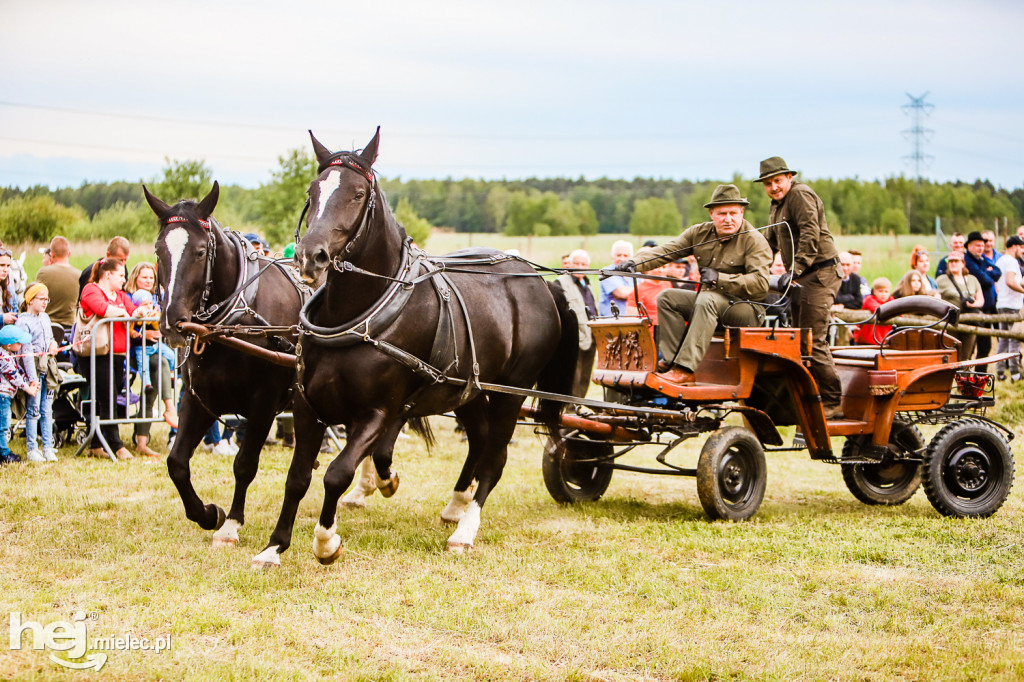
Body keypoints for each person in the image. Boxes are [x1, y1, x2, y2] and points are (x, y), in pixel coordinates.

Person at [615, 184, 770, 390]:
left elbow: (761, 285)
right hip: (710, 306)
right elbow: (665, 251)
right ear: (711, 213)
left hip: (746, 309)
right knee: (668, 297)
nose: (728, 218)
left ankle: (685, 370)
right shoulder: (699, 233)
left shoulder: (754, 240)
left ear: (741, 212)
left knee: (708, 299)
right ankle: (671, 361)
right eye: (722, 213)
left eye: (733, 212)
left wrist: (720, 278)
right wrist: (635, 263)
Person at [755, 156, 845, 419]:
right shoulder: (776, 206)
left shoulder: (800, 195)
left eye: (778, 181)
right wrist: (750, 267)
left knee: (813, 339)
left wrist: (794, 270)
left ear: (789, 178)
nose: (774, 187)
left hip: (820, 274)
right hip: (802, 277)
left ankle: (832, 401)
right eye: (768, 183)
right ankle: (810, 395)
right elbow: (768, 243)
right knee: (799, 339)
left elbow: (810, 233)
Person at [78, 257, 154, 461]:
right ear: (108, 274)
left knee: (109, 397)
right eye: (121, 275)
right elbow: (102, 309)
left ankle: (96, 445)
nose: (124, 279)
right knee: (107, 398)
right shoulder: (90, 290)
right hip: (97, 353)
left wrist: (140, 311)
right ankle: (116, 445)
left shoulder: (120, 295)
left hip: (118, 354)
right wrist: (125, 313)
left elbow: (132, 311)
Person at [126, 262, 178, 457]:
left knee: (151, 392)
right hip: (135, 352)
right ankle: (170, 407)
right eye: (144, 277)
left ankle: (141, 441)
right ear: (135, 278)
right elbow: (127, 326)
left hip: (156, 349)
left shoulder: (158, 298)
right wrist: (144, 335)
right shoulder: (130, 299)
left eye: (151, 277)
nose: (148, 281)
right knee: (161, 365)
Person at [15, 284, 59, 462]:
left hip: (47, 369)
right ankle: (32, 448)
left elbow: (49, 339)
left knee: (47, 410)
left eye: (47, 299)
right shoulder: (23, 322)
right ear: (30, 299)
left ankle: (48, 447)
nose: (45, 303)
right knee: (34, 410)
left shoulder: (46, 318)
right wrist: (32, 379)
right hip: (33, 370)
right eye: (41, 299)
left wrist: (53, 344)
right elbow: (26, 353)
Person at [554, 249, 598, 398]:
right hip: (573, 337)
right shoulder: (560, 283)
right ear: (570, 265)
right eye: (577, 263)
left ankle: (579, 404)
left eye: (584, 264)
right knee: (573, 375)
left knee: (585, 376)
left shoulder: (588, 283)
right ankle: (570, 408)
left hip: (590, 336)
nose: (580, 267)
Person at [0, 325, 39, 464]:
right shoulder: (3, 358)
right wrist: (28, 388)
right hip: (2, 396)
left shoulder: (10, 354)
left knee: (4, 424)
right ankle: (3, 454)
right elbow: (13, 376)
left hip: (6, 396)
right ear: (9, 345)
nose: (21, 345)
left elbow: (19, 371)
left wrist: (31, 381)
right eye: (19, 343)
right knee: (3, 426)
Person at [936, 252, 983, 361]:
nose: (953, 264)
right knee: (951, 353)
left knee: (966, 354)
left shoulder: (972, 279)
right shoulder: (941, 280)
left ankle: (964, 377)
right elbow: (936, 299)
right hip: (951, 322)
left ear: (963, 263)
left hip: (970, 321)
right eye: (950, 261)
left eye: (956, 261)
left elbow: (981, 299)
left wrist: (973, 304)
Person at [964, 231, 1001, 368]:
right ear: (969, 246)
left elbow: (997, 272)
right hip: (976, 309)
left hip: (989, 307)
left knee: (985, 346)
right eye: (977, 245)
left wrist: (988, 272)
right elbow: (985, 280)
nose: (980, 248)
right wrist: (988, 272)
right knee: (972, 345)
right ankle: (969, 374)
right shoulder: (968, 260)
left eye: (982, 245)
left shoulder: (982, 259)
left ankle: (980, 374)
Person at [994, 235, 1024, 381]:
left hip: (1001, 303)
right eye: (1021, 248)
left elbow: (997, 285)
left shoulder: (1000, 260)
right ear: (1014, 246)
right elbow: (1010, 281)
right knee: (1014, 340)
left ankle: (999, 371)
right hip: (1012, 305)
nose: (1022, 251)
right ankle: (1015, 372)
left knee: (1004, 340)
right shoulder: (1011, 261)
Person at [34, 236, 79, 328]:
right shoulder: (78, 274)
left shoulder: (43, 272)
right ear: (69, 253)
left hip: (46, 323)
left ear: (52, 254)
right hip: (69, 325)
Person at [599, 240, 635, 316]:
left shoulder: (636, 273)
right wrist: (639, 292)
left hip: (634, 320)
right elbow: (622, 293)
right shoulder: (607, 272)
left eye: (625, 256)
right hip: (612, 321)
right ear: (612, 257)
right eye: (618, 255)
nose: (622, 259)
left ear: (631, 258)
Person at [854, 278, 893, 345]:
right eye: (880, 291)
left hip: (883, 339)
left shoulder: (891, 301)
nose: (883, 294)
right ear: (874, 291)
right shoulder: (869, 300)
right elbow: (880, 310)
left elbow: (900, 313)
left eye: (886, 292)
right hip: (867, 340)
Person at [0, 248, 20, 330]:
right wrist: (2, 318)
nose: (6, 269)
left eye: (8, 266)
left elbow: (15, 313)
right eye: (2, 265)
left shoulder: (9, 290)